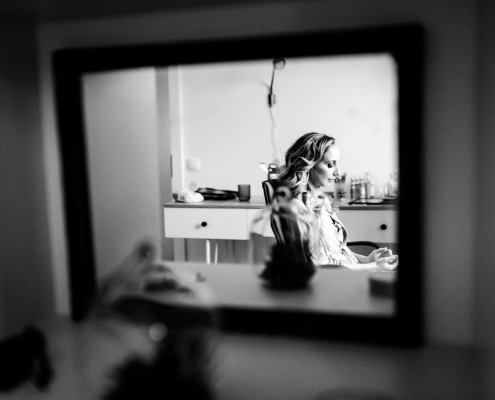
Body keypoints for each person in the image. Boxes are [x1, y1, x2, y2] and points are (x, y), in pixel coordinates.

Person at [277, 132, 398, 271]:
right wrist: (373, 266)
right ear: (308, 166)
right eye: (330, 165)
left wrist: (367, 260)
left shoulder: (322, 201)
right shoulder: (298, 208)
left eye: (337, 164)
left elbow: (337, 252)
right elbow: (316, 267)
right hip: (335, 280)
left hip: (349, 273)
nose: (338, 172)